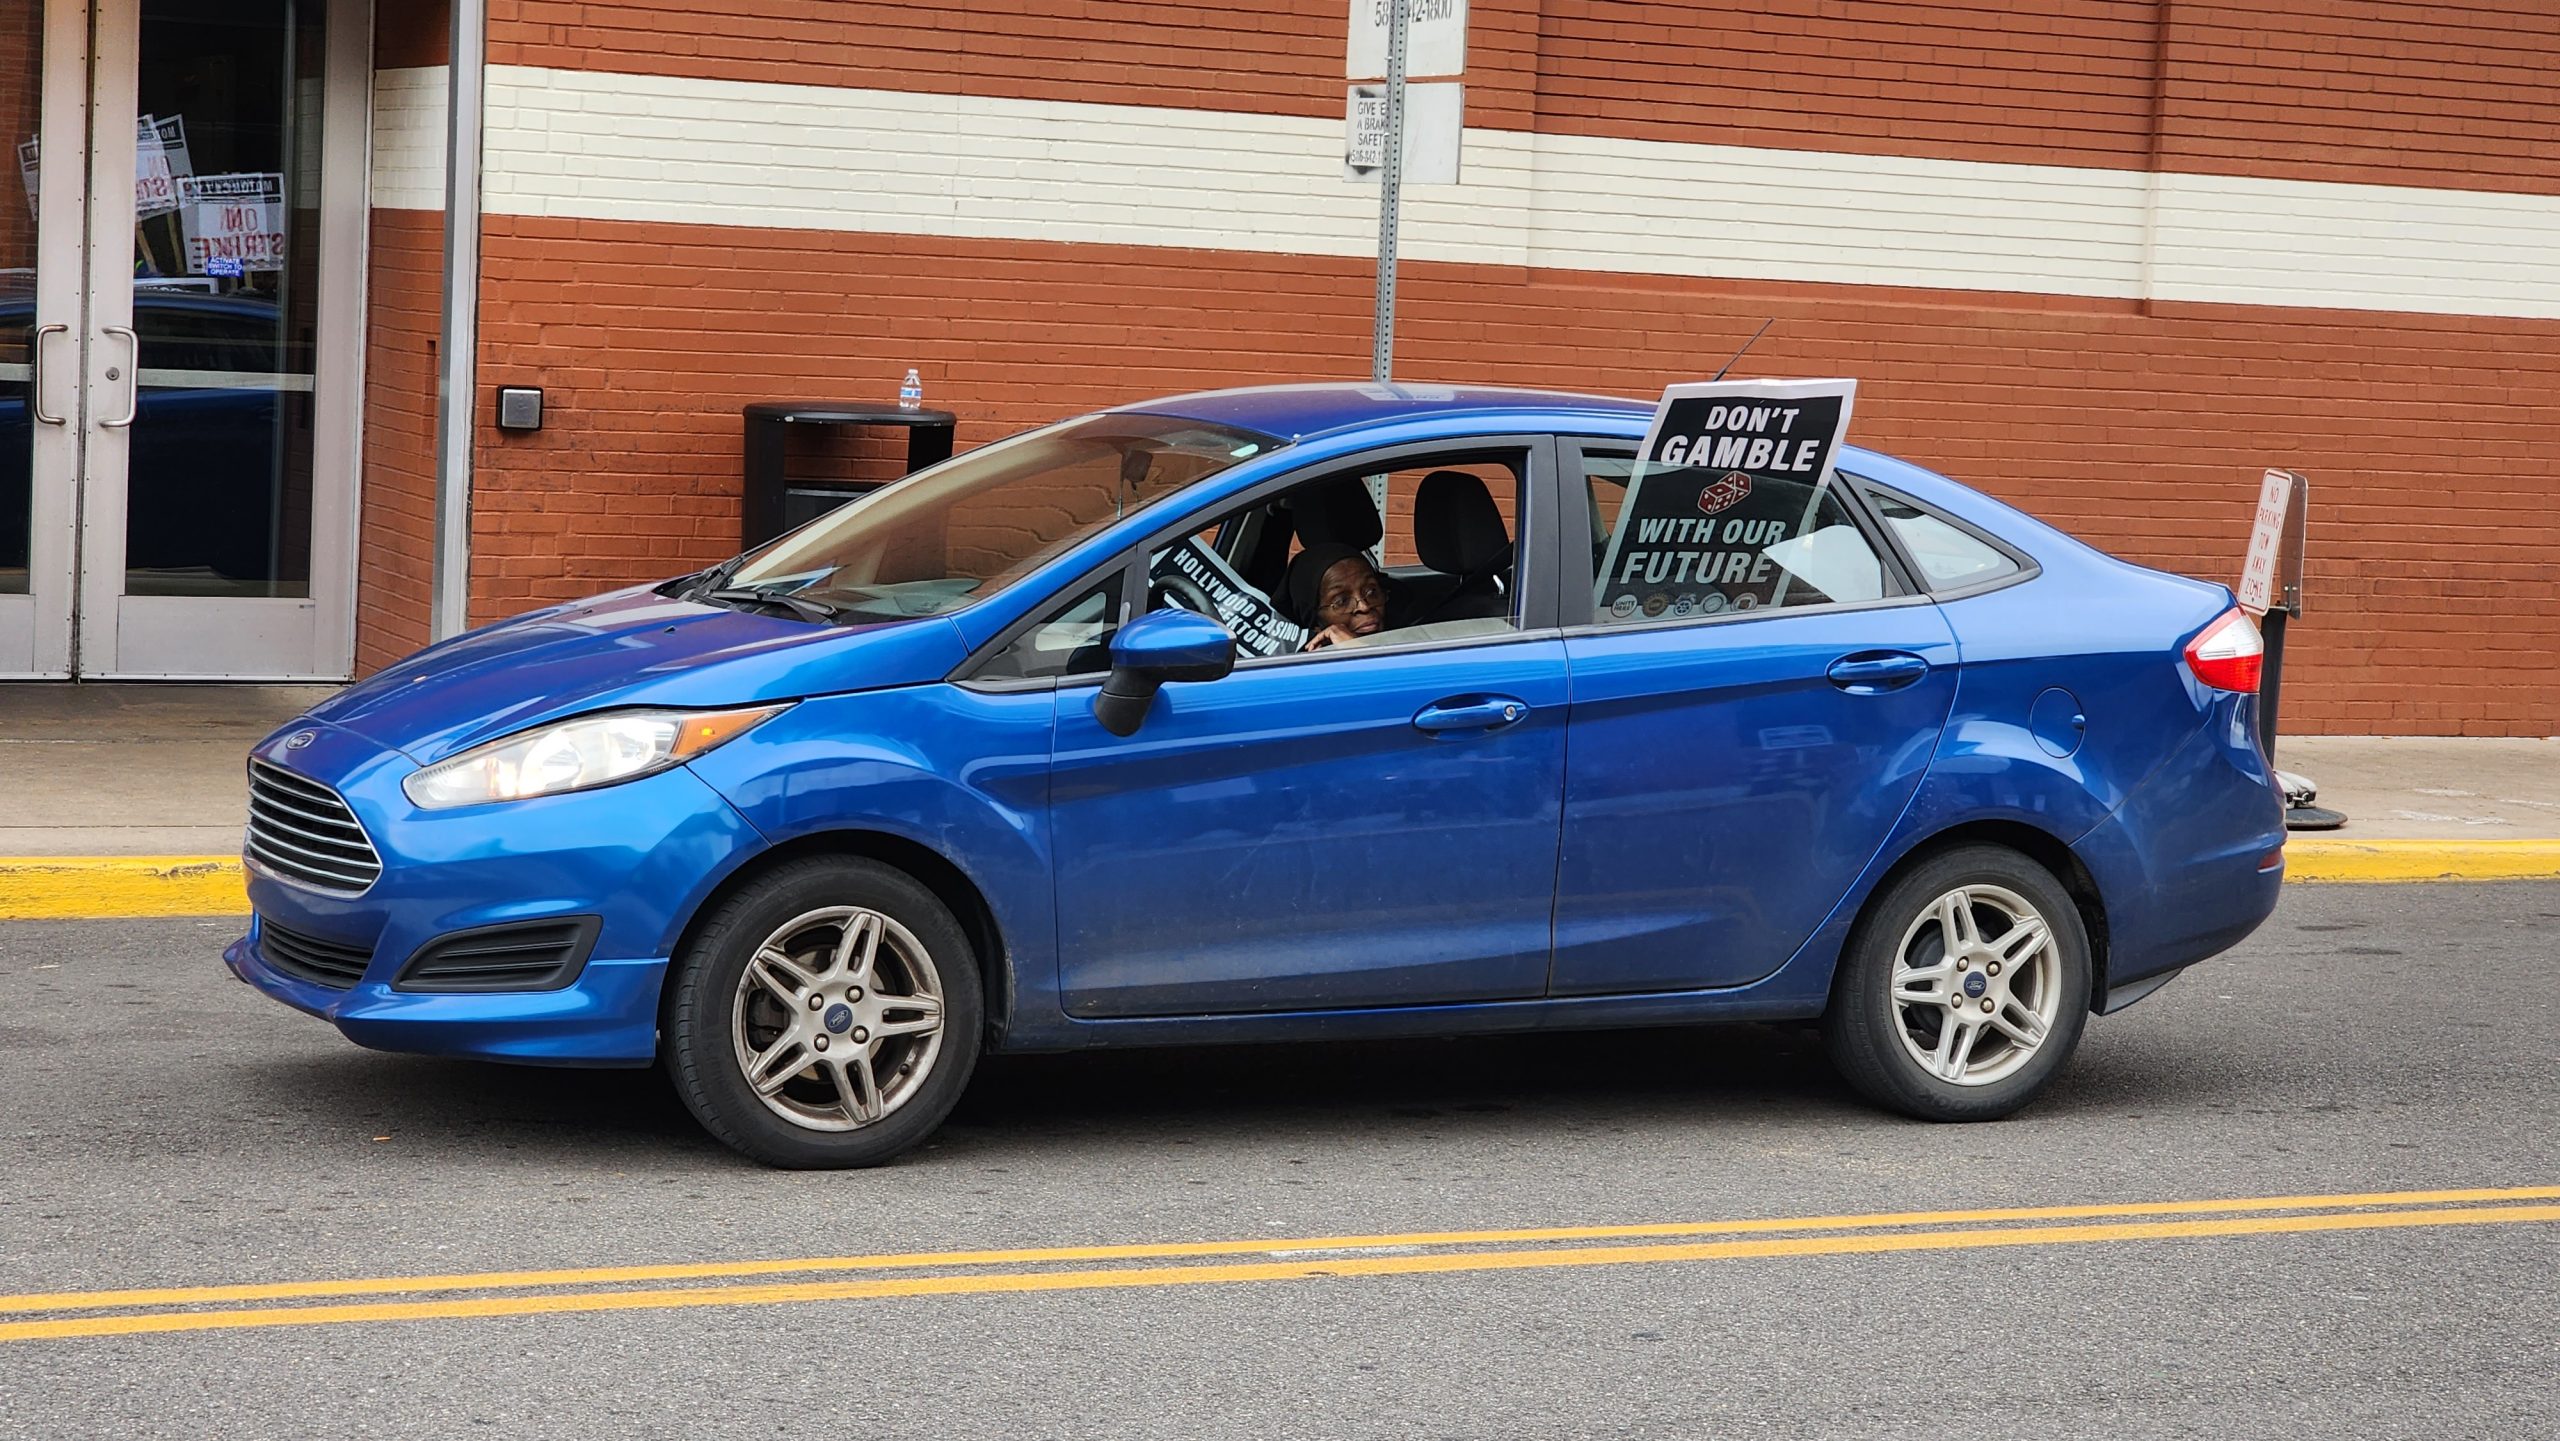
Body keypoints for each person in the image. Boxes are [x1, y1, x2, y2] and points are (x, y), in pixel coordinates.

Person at [1286, 543, 1391, 652]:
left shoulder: (1407, 633)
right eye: (1342, 601)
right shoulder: (1309, 665)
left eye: (1371, 592)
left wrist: (1356, 649)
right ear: (1315, 621)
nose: (1364, 607)